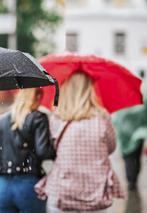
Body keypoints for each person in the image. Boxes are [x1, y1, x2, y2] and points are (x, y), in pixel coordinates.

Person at [44, 73, 124, 213]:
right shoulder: (102, 117)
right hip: (95, 193)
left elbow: (54, 147)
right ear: (89, 90)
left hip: (63, 192)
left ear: (66, 89)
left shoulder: (57, 117)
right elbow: (111, 148)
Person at [0, 88, 55, 213]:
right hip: (29, 184)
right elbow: (43, 152)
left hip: (3, 186)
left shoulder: (0, 121)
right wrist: (54, 147)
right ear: (38, 96)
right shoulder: (38, 118)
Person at [112, 71, 147, 190]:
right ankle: (134, 179)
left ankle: (130, 179)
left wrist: (115, 127)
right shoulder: (143, 96)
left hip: (124, 135)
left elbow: (116, 117)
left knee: (127, 157)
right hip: (139, 133)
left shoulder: (120, 96)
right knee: (137, 158)